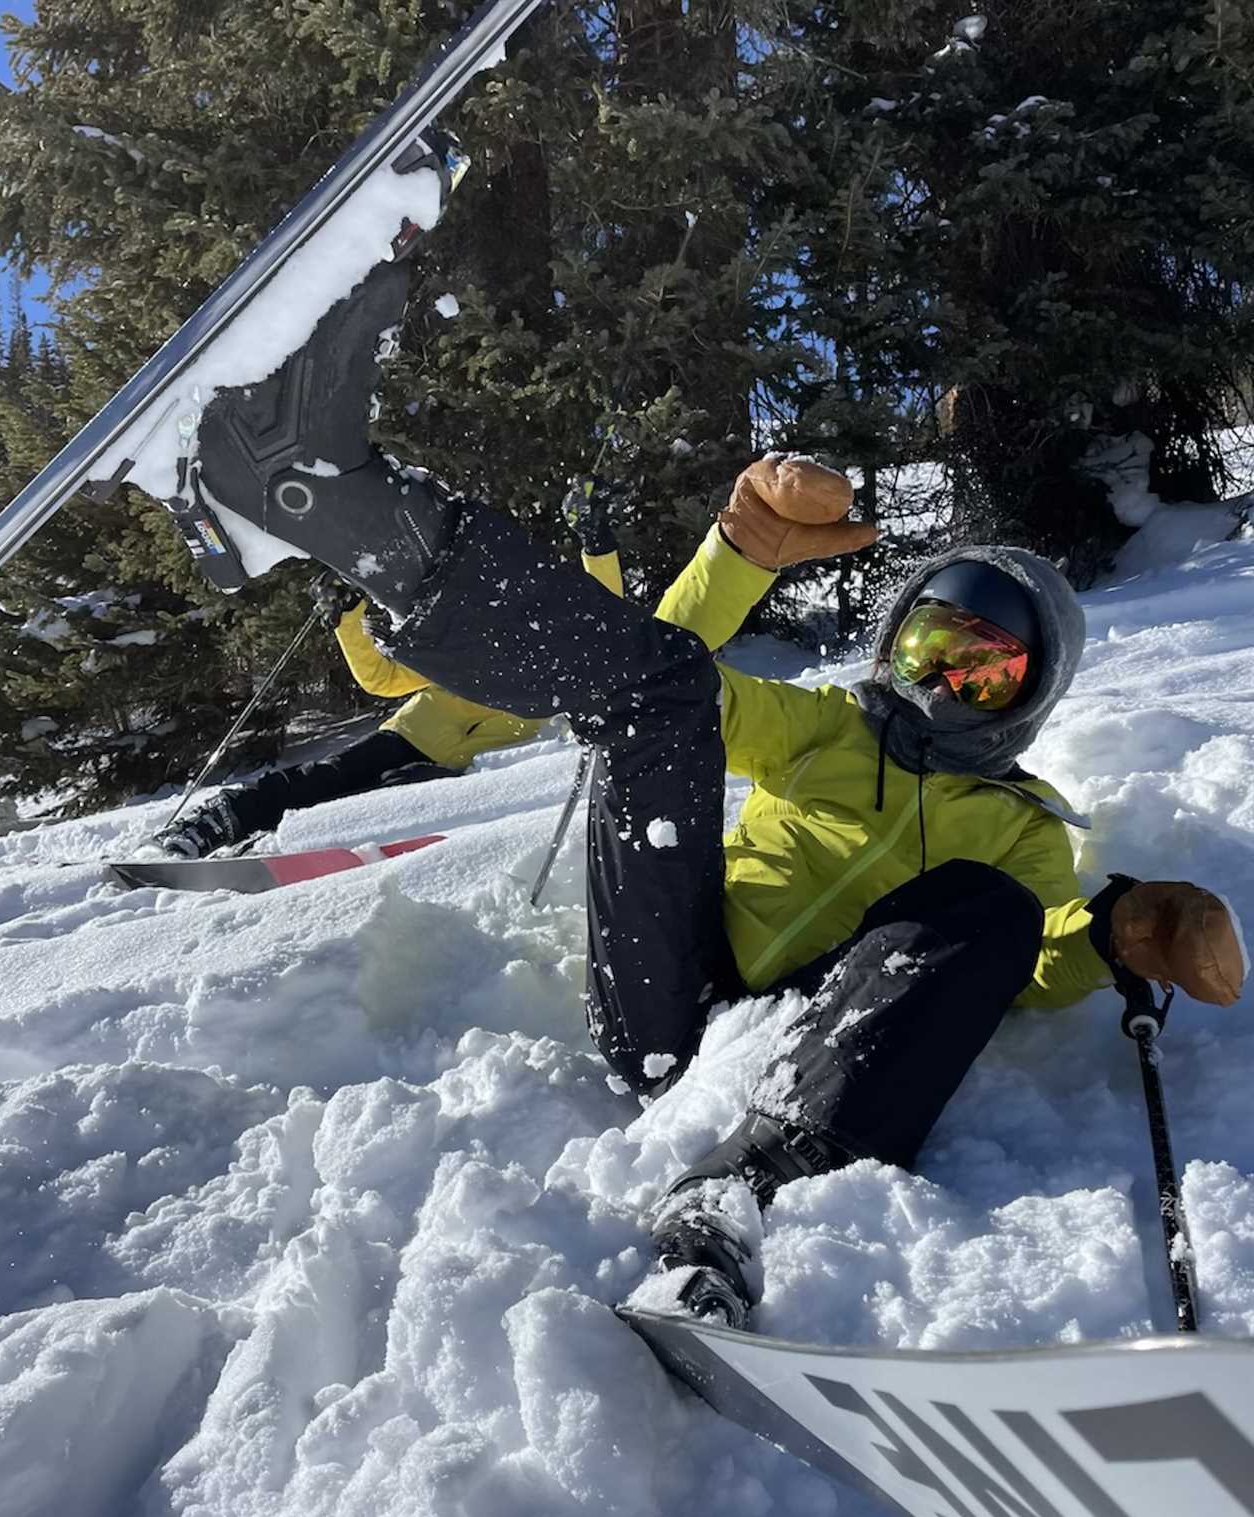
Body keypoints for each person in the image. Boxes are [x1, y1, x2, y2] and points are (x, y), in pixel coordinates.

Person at [187, 263, 1247, 1327]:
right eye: (931, 647)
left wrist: (1122, 928)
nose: (937, 684)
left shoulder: (1017, 825)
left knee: (994, 908)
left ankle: (738, 1196)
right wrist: (738, 557)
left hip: (815, 1044)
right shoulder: (831, 728)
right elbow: (668, 680)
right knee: (661, 690)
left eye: (978, 671)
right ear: (894, 642)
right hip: (666, 990)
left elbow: (1030, 955)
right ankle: (352, 513)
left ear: (1024, 700)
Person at [154, 484, 623, 859]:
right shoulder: (473, 646)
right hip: (409, 735)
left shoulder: (562, 657)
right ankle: (217, 821)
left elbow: (605, 623)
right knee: (325, 778)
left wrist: (597, 545)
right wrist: (346, 621)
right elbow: (382, 680)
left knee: (376, 799)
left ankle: (281, 846)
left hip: (463, 772)